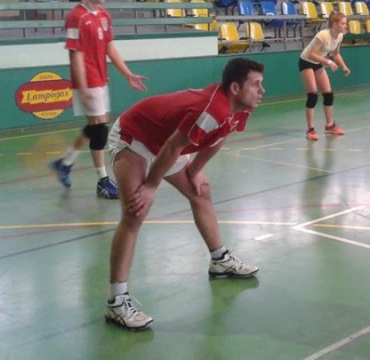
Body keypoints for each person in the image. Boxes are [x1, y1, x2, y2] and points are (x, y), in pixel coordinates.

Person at [103, 58, 265, 330]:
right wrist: (150, 186)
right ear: (236, 88)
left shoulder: (239, 108)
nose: (262, 90)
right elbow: (172, 148)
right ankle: (116, 302)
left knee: (201, 192)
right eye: (256, 84)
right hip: (135, 137)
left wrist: (195, 171)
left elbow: (218, 138)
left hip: (166, 141)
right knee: (135, 212)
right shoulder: (213, 109)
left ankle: (220, 260)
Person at [50, 0, 147, 199]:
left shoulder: (104, 14)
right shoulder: (76, 17)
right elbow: (76, 55)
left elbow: (110, 48)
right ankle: (102, 181)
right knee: (100, 130)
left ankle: (65, 163)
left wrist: (128, 74)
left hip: (101, 78)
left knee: (96, 126)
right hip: (88, 78)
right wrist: (83, 87)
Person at [298, 12, 350, 140]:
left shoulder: (339, 36)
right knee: (313, 95)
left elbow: (336, 54)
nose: (345, 26)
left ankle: (330, 125)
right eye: (343, 23)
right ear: (334, 24)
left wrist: (344, 67)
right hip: (306, 62)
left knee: (328, 94)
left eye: (345, 23)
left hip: (318, 63)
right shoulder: (322, 35)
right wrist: (328, 62)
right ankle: (310, 130)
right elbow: (311, 54)